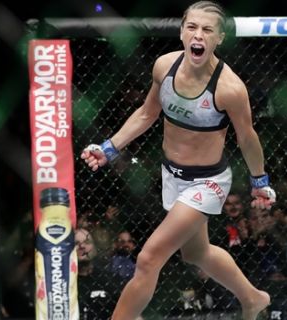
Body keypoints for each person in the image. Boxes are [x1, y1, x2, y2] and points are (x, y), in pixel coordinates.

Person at [81, 1, 276, 319]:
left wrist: (259, 181)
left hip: (207, 182)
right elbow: (147, 113)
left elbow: (247, 137)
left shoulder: (230, 89)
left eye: (207, 30)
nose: (198, 35)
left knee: (148, 258)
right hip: (173, 175)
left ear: (219, 38)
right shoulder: (164, 67)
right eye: (192, 27)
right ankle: (253, 298)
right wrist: (109, 147)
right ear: (182, 32)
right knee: (196, 253)